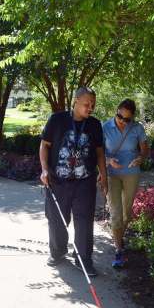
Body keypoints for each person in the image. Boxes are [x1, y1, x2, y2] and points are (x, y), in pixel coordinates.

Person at [39, 86, 108, 277]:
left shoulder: (94, 124)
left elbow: (100, 152)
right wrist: (44, 169)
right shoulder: (57, 120)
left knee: (84, 221)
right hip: (57, 181)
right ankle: (58, 253)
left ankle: (84, 259)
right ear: (75, 101)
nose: (90, 108)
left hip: (85, 182)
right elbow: (44, 146)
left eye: (93, 105)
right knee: (56, 220)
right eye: (87, 104)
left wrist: (104, 176)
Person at [103, 98, 149, 269]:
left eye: (127, 119)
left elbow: (145, 149)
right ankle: (118, 249)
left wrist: (140, 158)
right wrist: (108, 161)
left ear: (132, 118)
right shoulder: (105, 127)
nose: (122, 121)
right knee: (116, 214)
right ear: (116, 111)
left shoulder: (137, 128)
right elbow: (98, 152)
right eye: (120, 117)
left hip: (131, 174)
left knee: (126, 213)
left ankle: (118, 237)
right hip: (112, 174)